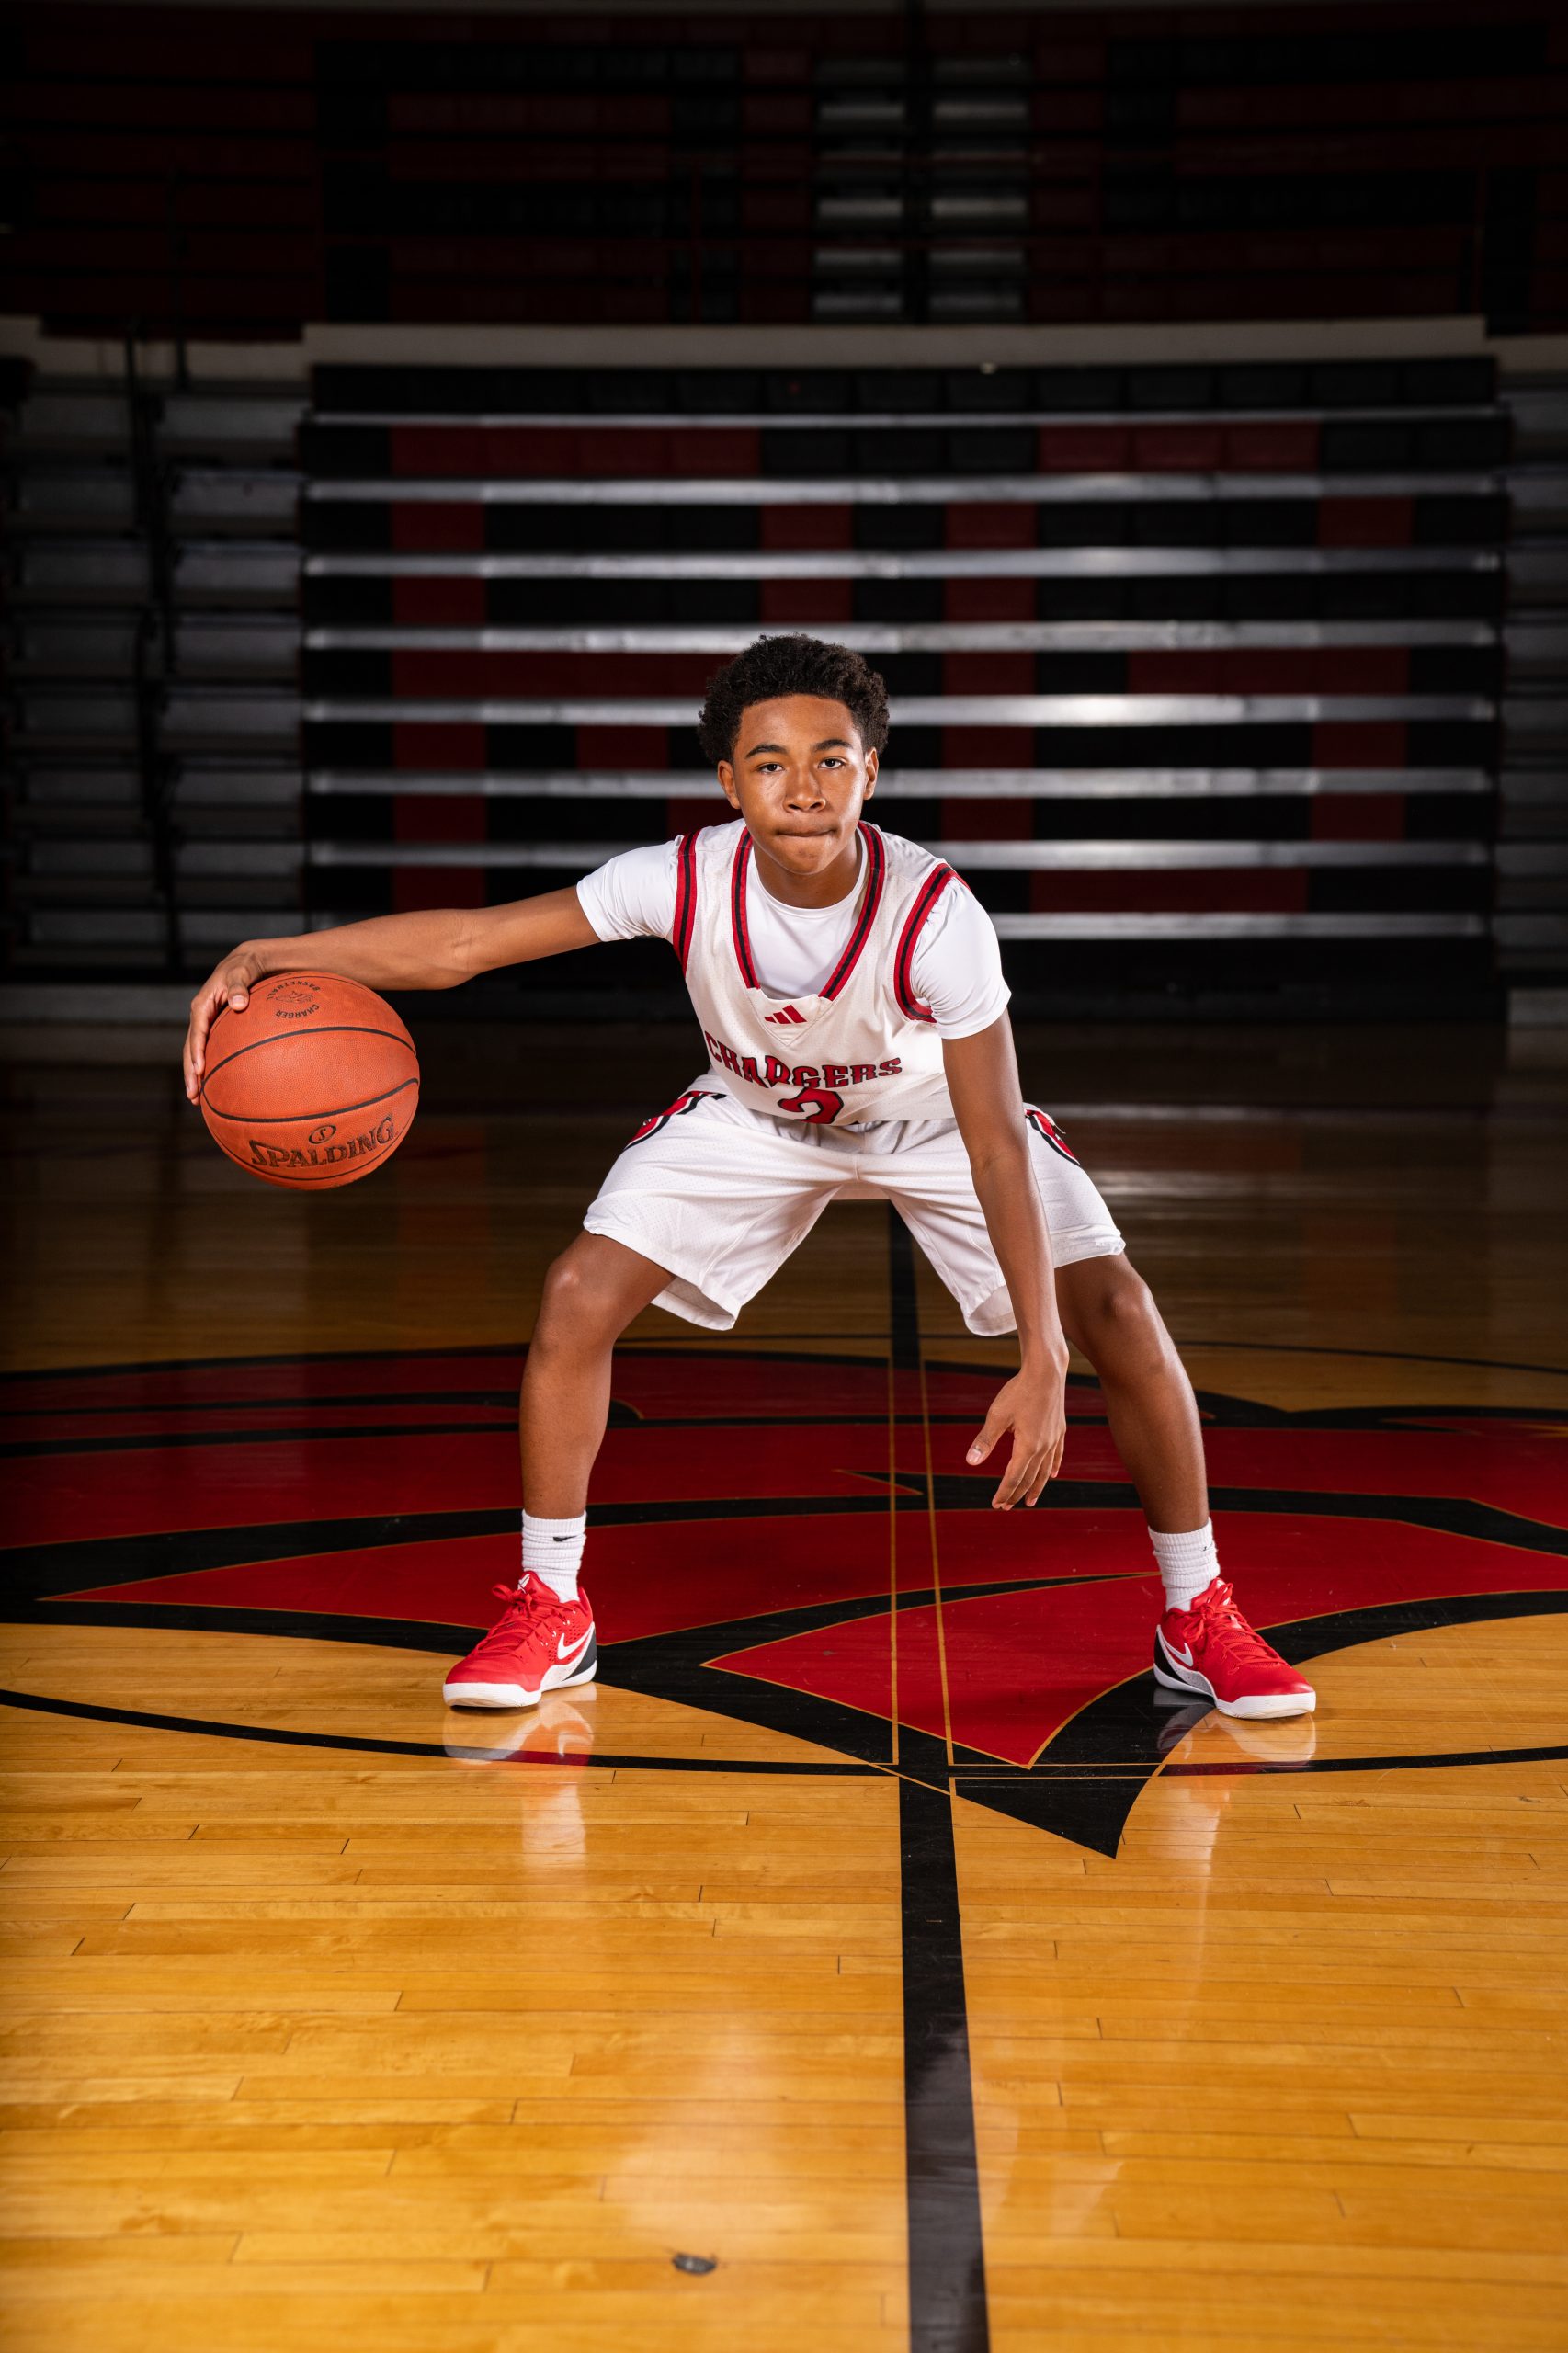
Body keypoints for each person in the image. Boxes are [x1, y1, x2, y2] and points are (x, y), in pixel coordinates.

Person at [184, 634, 1314, 1726]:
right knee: (576, 1292)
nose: (803, 787)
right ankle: (552, 1604)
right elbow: (465, 946)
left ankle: (1195, 1614)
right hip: (756, 1114)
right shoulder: (678, 878)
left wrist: (1040, 1351)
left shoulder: (935, 914)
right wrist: (276, 954)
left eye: (831, 759)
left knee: (1116, 1307)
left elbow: (992, 1143)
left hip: (931, 1121)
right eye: (769, 763)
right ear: (729, 783)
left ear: (871, 771)